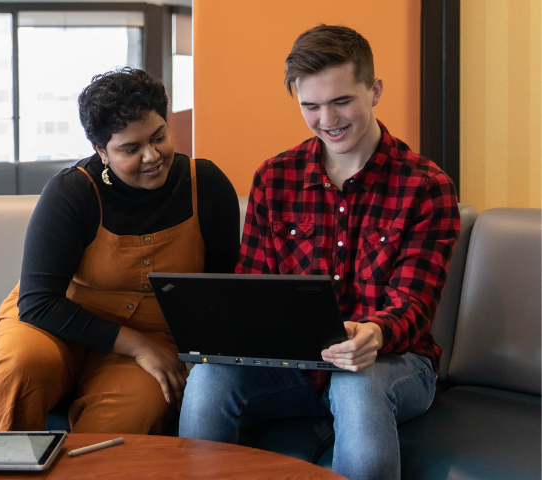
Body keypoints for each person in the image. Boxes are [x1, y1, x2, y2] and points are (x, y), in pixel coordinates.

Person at [179, 25, 460, 480]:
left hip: (393, 363)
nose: (327, 118)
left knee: (357, 383)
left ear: (375, 90)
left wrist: (374, 332)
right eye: (310, 106)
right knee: (209, 375)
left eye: (342, 101)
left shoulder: (426, 187)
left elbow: (415, 306)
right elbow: (252, 286)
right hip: (293, 366)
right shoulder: (274, 177)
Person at [0, 68, 240, 434]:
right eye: (130, 149)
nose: (152, 156)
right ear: (101, 151)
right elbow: (38, 302)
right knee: (20, 365)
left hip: (157, 335)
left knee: (136, 410)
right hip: (54, 325)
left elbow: (220, 290)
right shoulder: (72, 192)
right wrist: (138, 346)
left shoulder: (206, 185)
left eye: (159, 137)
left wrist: (196, 358)